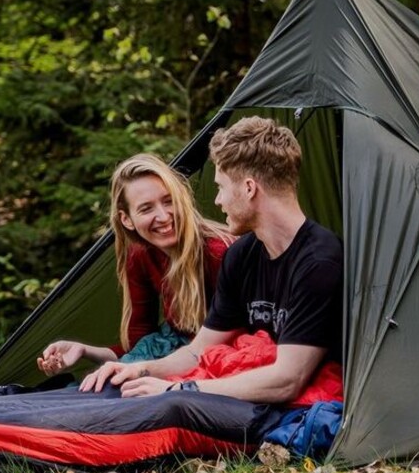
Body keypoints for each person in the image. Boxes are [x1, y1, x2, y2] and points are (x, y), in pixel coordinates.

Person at [80, 116, 343, 403]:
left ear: (249, 188)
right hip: (242, 378)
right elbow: (198, 351)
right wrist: (140, 368)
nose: (217, 201)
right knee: (121, 395)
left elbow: (286, 381)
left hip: (285, 396)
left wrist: (178, 389)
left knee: (154, 409)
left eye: (220, 187)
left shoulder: (318, 261)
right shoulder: (242, 255)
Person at [36, 154, 232, 377]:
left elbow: (239, 339)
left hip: (221, 356)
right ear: (126, 219)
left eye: (169, 201)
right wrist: (83, 350)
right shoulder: (140, 255)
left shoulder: (218, 253)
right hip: (175, 349)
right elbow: (141, 345)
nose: (163, 216)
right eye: (146, 208)